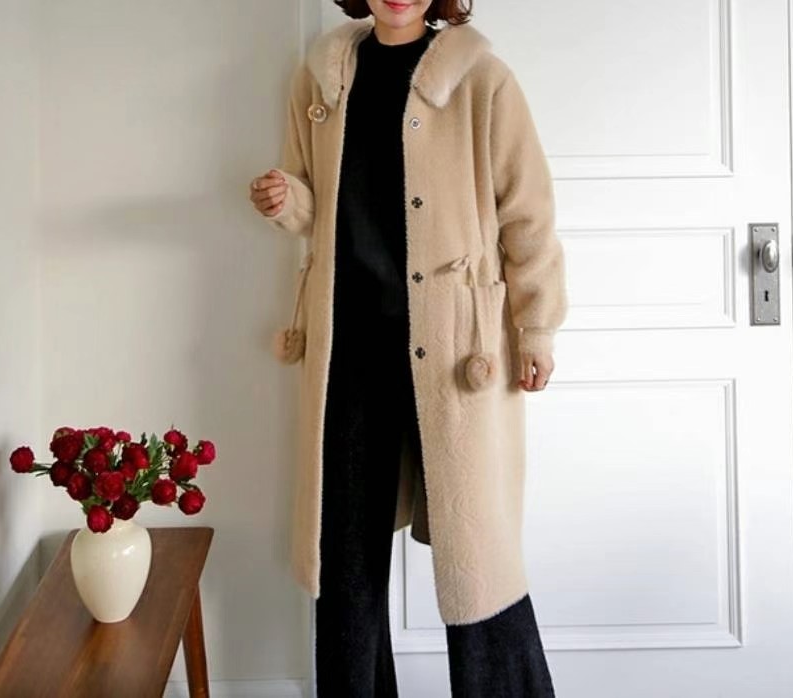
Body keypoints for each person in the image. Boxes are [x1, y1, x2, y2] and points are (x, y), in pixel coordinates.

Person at [249, 0, 567, 695]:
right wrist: (285, 200)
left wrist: (536, 326)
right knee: (343, 554)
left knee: (479, 557)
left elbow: (529, 214)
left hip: (456, 350)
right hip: (349, 346)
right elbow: (314, 205)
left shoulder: (482, 79)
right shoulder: (322, 76)